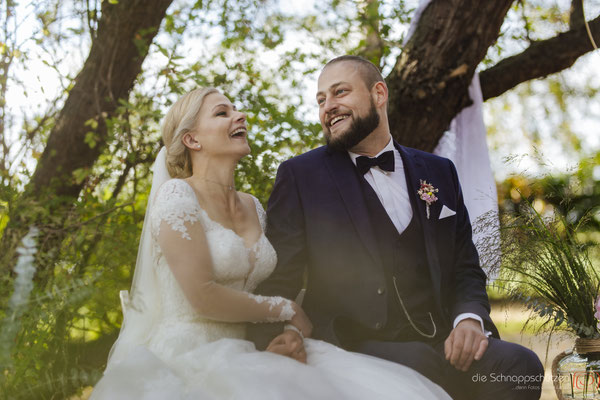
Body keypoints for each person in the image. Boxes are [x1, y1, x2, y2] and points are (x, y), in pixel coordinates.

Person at [90, 87, 452, 399]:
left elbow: (275, 282)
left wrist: (286, 331)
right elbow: (201, 295)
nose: (240, 115)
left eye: (236, 109)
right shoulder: (177, 196)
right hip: (189, 353)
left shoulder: (253, 206)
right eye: (223, 112)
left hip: (250, 346)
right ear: (192, 139)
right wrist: (285, 309)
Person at [247, 56, 545, 400]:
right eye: (321, 100)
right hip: (358, 342)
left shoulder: (439, 170)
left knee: (521, 367)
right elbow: (280, 269)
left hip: (444, 340)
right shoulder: (301, 175)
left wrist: (468, 320)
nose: (328, 106)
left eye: (339, 92)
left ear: (379, 94)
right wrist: (280, 330)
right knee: (418, 366)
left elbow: (465, 265)